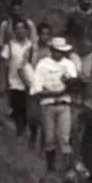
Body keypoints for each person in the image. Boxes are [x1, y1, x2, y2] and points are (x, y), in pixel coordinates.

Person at [30, 37, 79, 175]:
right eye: (57, 51)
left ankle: (67, 170)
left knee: (64, 137)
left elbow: (74, 87)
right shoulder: (43, 65)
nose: (60, 54)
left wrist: (68, 85)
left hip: (64, 104)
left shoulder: (69, 65)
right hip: (48, 104)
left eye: (62, 51)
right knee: (49, 137)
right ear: (51, 50)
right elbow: (37, 89)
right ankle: (50, 168)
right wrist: (55, 92)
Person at [0, 18, 34, 138]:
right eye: (17, 28)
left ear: (27, 31)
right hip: (13, 81)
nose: (20, 31)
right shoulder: (9, 45)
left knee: (26, 107)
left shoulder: (31, 46)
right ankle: (20, 131)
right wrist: (2, 82)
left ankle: (23, 130)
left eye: (22, 28)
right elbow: (3, 65)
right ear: (14, 31)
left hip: (27, 82)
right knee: (17, 106)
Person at [23, 22, 53, 151]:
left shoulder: (52, 50)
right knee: (32, 115)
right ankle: (33, 137)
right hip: (33, 85)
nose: (45, 36)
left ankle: (42, 145)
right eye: (42, 33)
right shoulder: (32, 49)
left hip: (47, 87)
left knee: (45, 117)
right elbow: (24, 66)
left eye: (47, 34)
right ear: (38, 34)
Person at [64, 0, 92, 89]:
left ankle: (83, 98)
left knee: (86, 76)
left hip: (88, 49)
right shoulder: (72, 14)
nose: (86, 6)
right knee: (75, 73)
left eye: (88, 3)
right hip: (74, 48)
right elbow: (65, 30)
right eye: (84, 3)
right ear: (79, 2)